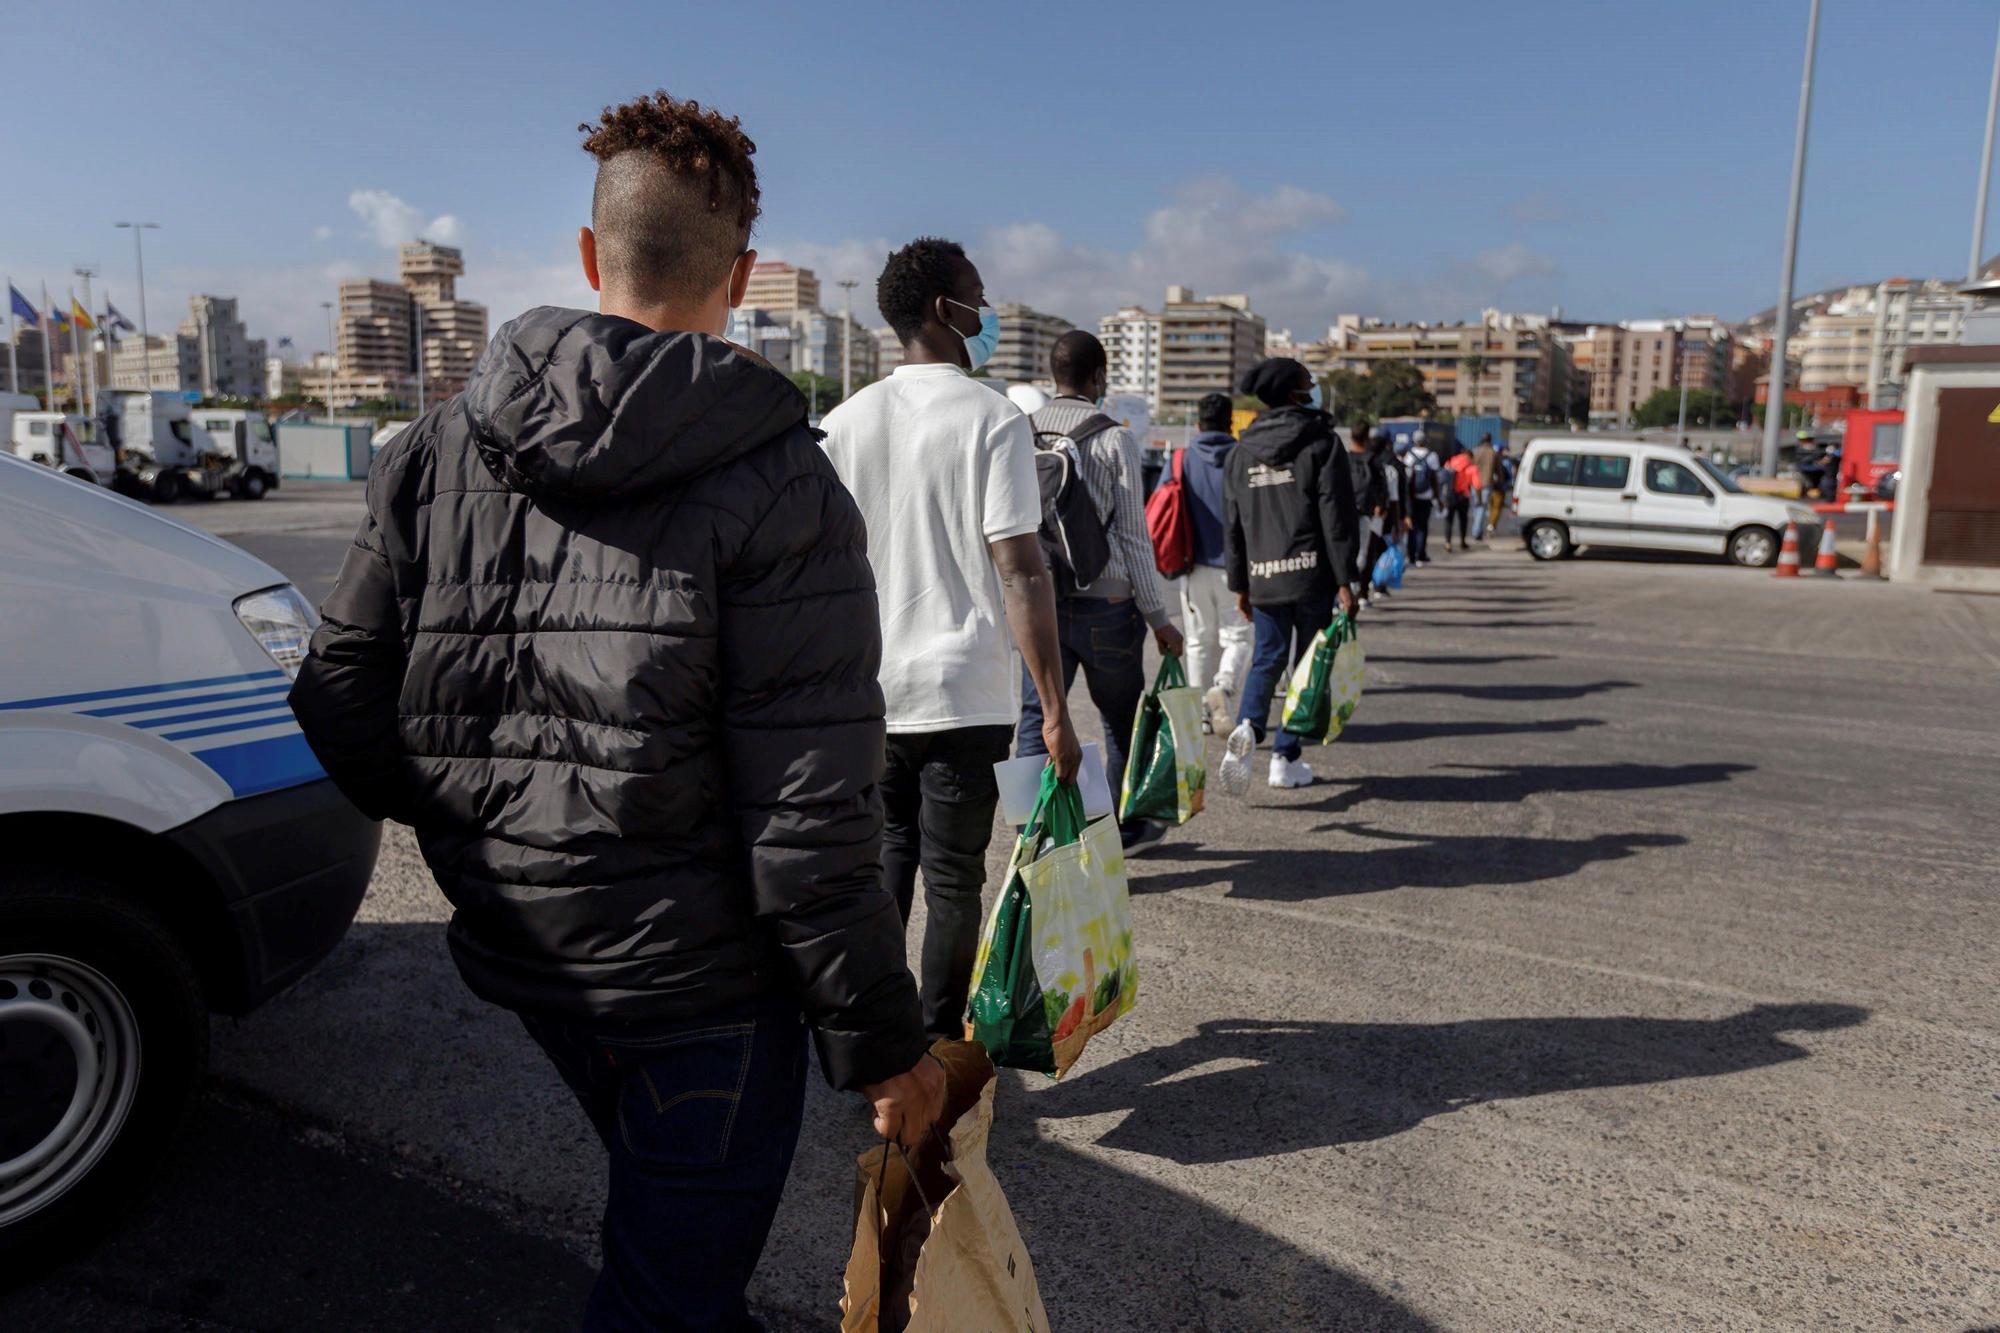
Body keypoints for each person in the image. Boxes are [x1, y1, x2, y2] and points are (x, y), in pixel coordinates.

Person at [289, 91, 945, 1331]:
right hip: (700, 983)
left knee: (674, 1250)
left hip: (528, 954)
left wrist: (477, 821)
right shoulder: (779, 480)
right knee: (665, 1292)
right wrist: (881, 1038)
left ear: (591, 256)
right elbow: (808, 810)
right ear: (741, 274)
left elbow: (336, 692)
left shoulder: (430, 450)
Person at [819, 237, 1082, 1043]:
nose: (988, 311)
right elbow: (1022, 571)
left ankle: (882, 1044)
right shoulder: (993, 418)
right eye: (978, 294)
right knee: (957, 880)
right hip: (963, 691)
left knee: (884, 864)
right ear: (946, 310)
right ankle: (938, 1047)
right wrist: (1053, 708)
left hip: (870, 691)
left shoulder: (843, 421)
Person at [1015, 330, 1185, 855]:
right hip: (1107, 605)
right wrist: (1159, 618)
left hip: (1037, 604)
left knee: (1034, 718)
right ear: (1099, 377)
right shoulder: (1115, 439)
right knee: (1119, 721)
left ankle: (1033, 841)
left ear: (1051, 376)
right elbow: (1134, 537)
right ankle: (1111, 839)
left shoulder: (1019, 432)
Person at [1218, 358, 1359, 792]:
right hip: (1312, 575)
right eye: (1309, 383)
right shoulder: (1322, 442)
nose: (1314, 389)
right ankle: (1285, 755)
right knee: (1305, 664)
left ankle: (1246, 728)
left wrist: (1240, 583)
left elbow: (1234, 525)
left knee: (1267, 656)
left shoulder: (1241, 452)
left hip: (1263, 575)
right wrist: (1345, 578)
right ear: (1295, 393)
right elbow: (1336, 515)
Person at [1179, 392, 1255, 730]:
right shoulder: (1244, 457)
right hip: (1236, 568)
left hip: (1191, 565)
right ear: (1230, 423)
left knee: (1198, 642)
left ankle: (1200, 716)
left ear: (1198, 423)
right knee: (1238, 639)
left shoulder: (1180, 458)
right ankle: (1223, 687)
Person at [1346, 422, 1388, 609]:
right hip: (1365, 513)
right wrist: (1380, 505)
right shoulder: (1374, 460)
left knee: (1343, 552)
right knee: (1363, 554)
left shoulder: (1342, 459)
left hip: (1343, 512)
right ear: (1366, 437)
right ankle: (1358, 591)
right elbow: (1381, 487)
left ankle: (1343, 592)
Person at [1406, 430, 1444, 565]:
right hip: (1426, 496)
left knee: (1411, 526)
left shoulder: (1409, 455)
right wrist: (1438, 497)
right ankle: (1420, 554)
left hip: (1411, 497)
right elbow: (1435, 478)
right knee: (1422, 526)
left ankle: (1410, 555)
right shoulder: (1432, 456)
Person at [1444, 446, 1477, 551]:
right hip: (1463, 496)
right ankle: (1462, 541)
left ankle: (1448, 542)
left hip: (1450, 495)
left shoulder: (1450, 462)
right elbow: (1477, 484)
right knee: (1463, 520)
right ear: (1470, 456)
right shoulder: (1472, 467)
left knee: (1449, 520)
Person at [1471, 433, 1498, 541]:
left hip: (1474, 483)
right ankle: (1477, 531)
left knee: (1477, 505)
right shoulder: (1493, 453)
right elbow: (1498, 470)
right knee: (1482, 507)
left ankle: (1477, 529)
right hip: (1486, 483)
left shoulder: (1474, 451)